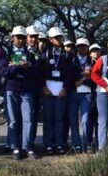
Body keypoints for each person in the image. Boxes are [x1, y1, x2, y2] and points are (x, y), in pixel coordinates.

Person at [0, 26, 41, 160]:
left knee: (28, 119)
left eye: (23, 37)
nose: (21, 40)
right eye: (19, 37)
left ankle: (27, 147)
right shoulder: (6, 52)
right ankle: (15, 147)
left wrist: (17, 67)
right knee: (13, 120)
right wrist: (19, 67)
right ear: (12, 38)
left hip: (27, 90)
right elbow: (4, 71)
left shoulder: (30, 54)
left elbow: (35, 71)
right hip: (11, 89)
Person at [41, 27, 78, 155]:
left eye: (61, 37)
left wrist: (65, 88)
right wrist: (44, 87)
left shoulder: (66, 54)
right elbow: (39, 72)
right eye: (56, 38)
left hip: (61, 89)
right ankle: (48, 144)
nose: (59, 40)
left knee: (59, 117)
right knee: (48, 118)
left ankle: (59, 143)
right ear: (51, 39)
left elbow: (70, 74)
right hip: (48, 88)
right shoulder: (44, 53)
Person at [68, 37, 94, 153]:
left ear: (88, 48)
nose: (82, 48)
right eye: (80, 46)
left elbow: (95, 77)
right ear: (77, 47)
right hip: (74, 91)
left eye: (85, 46)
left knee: (85, 119)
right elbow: (69, 75)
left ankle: (87, 143)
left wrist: (85, 77)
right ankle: (76, 144)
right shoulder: (71, 60)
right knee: (73, 120)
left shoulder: (93, 61)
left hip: (87, 93)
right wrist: (83, 75)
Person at [25, 25, 42, 148]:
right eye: (31, 37)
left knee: (34, 115)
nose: (34, 39)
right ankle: (21, 142)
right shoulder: (22, 51)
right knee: (24, 117)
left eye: (36, 37)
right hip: (24, 87)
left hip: (37, 88)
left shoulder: (40, 52)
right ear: (27, 37)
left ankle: (31, 141)